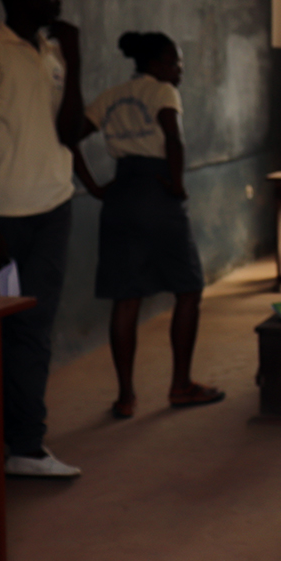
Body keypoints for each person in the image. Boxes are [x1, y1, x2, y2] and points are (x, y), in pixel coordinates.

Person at [0, 0, 85, 478]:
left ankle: (26, 444)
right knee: (10, 329)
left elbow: (72, 131)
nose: (57, 1)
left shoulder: (53, 54)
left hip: (54, 207)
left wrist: (75, 62)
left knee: (35, 328)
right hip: (5, 218)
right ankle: (14, 442)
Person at [81, 32, 223, 419]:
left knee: (126, 299)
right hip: (157, 193)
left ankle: (126, 397)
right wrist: (176, 186)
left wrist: (94, 186)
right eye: (175, 62)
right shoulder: (163, 92)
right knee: (189, 289)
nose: (179, 71)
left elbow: (68, 137)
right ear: (157, 64)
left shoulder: (110, 96)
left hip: (121, 194)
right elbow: (173, 140)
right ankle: (181, 385)